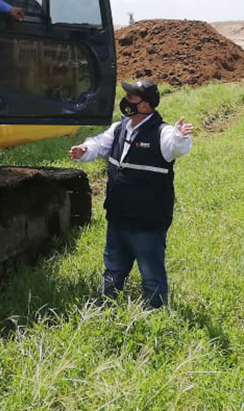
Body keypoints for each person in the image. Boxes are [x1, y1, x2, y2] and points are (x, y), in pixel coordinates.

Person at [69, 79, 195, 309]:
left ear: (145, 106)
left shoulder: (162, 132)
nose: (125, 101)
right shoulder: (121, 127)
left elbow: (176, 147)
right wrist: (84, 150)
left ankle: (155, 316)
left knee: (151, 275)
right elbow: (100, 144)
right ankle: (105, 309)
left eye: (131, 98)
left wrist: (180, 137)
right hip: (118, 217)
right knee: (113, 269)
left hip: (147, 221)